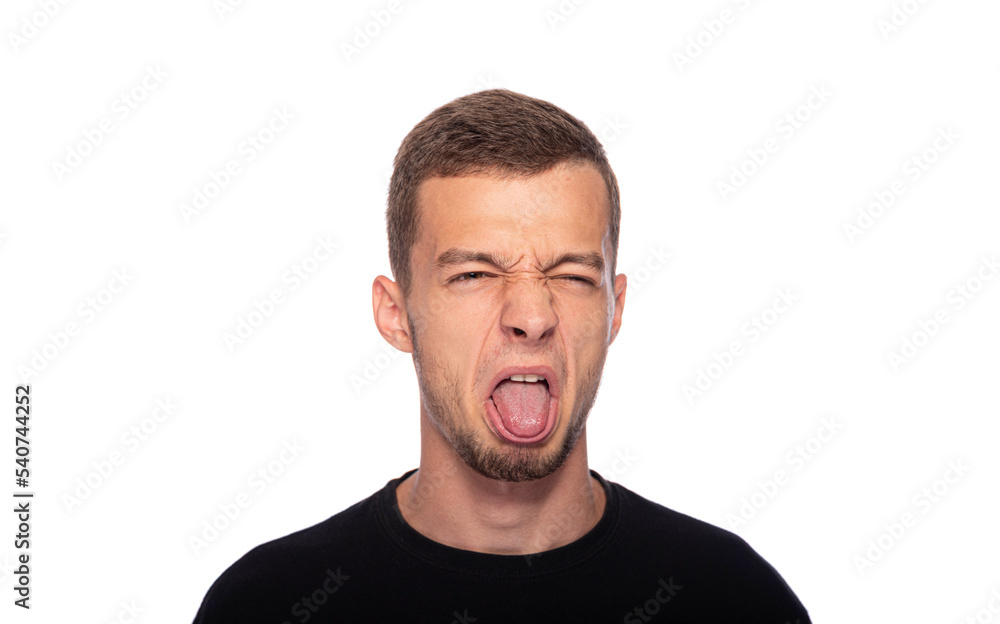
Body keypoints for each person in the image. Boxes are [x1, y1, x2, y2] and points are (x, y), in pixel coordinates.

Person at [192, 89, 811, 623]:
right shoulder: (267, 604)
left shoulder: (734, 599)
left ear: (615, 309)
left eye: (571, 276)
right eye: (475, 274)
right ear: (395, 313)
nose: (532, 317)